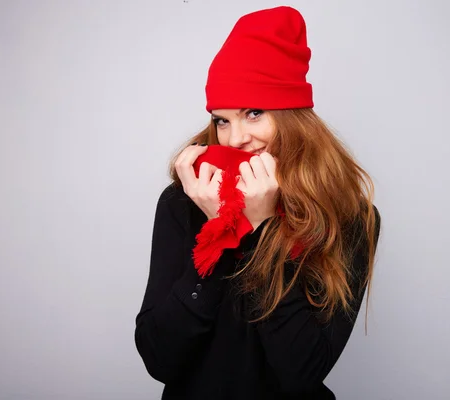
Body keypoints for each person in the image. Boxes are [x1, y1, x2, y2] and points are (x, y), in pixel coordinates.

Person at [134, 6, 381, 399]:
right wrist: (219, 232)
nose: (234, 140)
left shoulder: (349, 216)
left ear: (292, 116)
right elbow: (159, 358)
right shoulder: (184, 203)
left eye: (253, 113)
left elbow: (302, 372)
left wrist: (261, 228)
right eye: (222, 120)